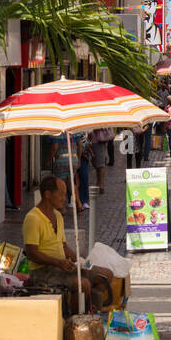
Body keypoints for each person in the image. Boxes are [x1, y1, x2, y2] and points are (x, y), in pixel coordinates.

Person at [22, 176, 113, 308]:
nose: (64, 198)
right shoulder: (33, 218)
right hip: (43, 272)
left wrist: (80, 261)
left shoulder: (58, 216)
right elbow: (32, 253)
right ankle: (74, 320)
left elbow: (63, 246)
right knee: (83, 284)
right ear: (48, 194)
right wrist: (58, 262)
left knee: (106, 275)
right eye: (61, 194)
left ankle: (90, 306)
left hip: (62, 267)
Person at [49, 132, 90, 212]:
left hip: (61, 160)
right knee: (71, 183)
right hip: (73, 160)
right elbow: (80, 145)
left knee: (61, 184)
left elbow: (54, 147)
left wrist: (48, 160)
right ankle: (79, 204)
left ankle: (62, 207)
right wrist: (78, 159)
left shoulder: (57, 132)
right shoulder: (75, 132)